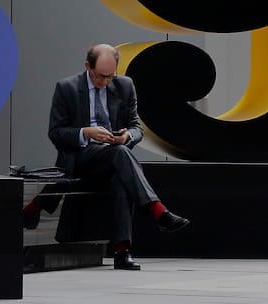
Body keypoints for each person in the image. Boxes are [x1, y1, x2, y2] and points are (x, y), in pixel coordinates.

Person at [42, 44, 190, 270]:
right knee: (121, 156)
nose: (105, 82)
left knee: (121, 175)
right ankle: (158, 211)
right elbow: (55, 133)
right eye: (101, 76)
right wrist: (85, 132)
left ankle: (122, 252)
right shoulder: (67, 88)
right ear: (87, 66)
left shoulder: (125, 85)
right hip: (81, 158)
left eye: (110, 76)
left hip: (113, 155)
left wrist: (126, 136)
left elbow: (136, 128)